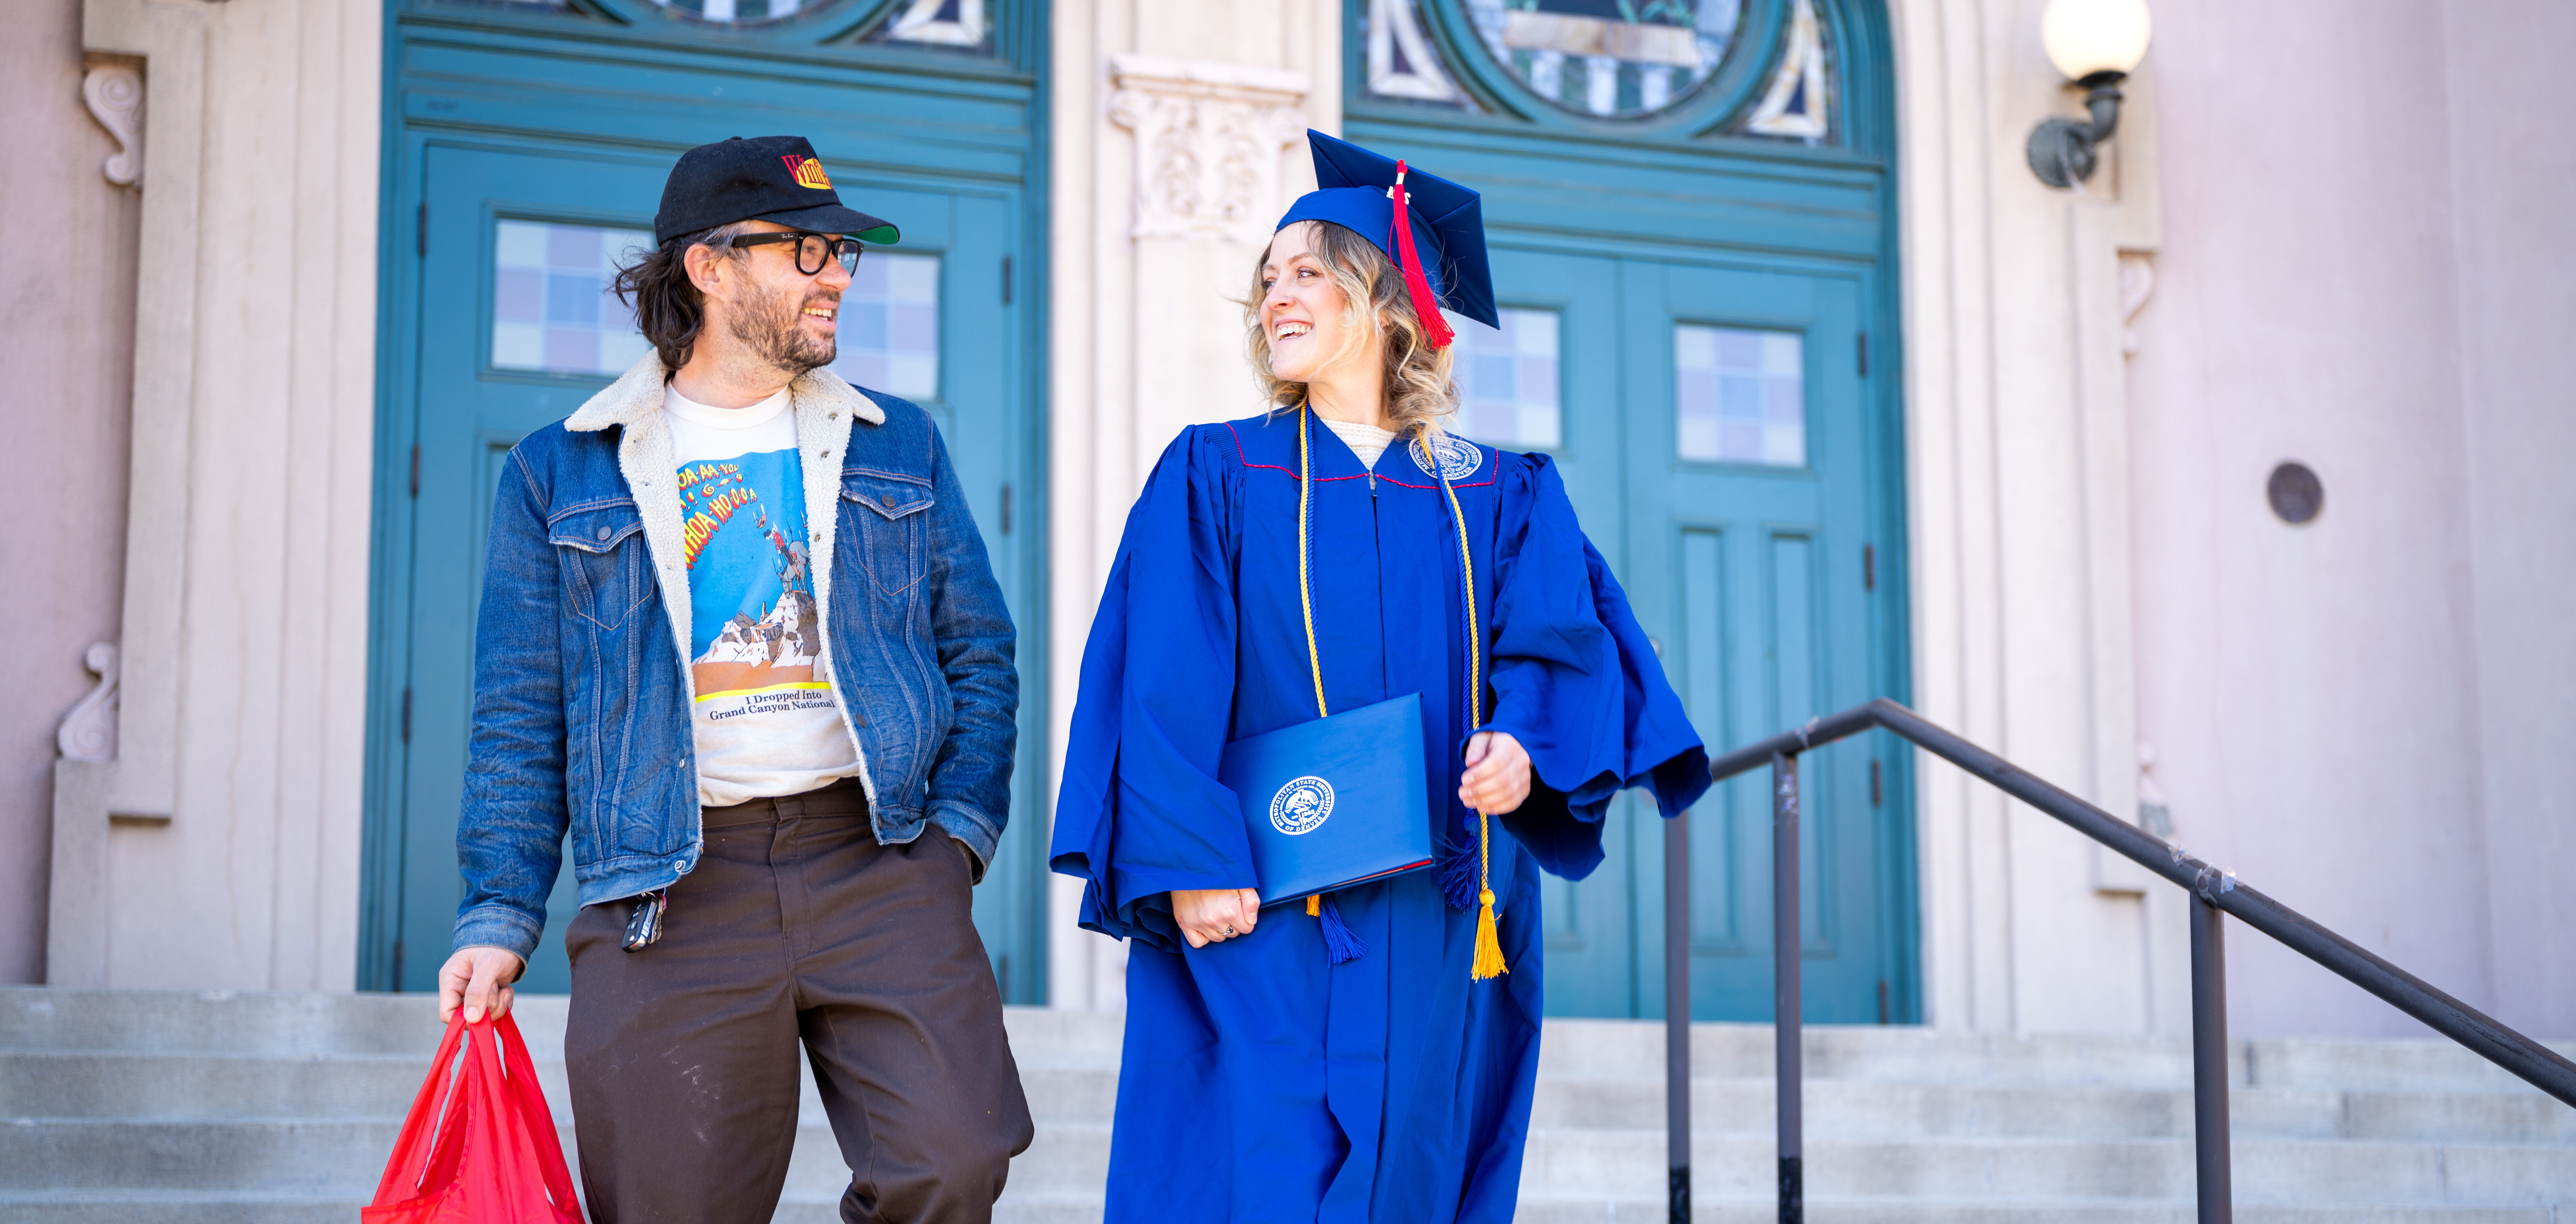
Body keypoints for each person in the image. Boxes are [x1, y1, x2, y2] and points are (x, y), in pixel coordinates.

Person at [1050, 132, 1712, 1223]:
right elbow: (1157, 681)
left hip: (1442, 905)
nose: (1278, 295)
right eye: (1268, 278)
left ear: (1391, 302)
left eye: (1310, 270)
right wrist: (1189, 860)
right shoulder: (1215, 471)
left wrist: (1524, 747)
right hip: (1256, 897)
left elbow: (1560, 645)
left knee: (1418, 1165)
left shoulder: (1500, 494)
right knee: (1254, 1169)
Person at [437, 135, 1031, 1224]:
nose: (840, 275)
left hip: (880, 858)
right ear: (708, 268)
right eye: (808, 251)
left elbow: (979, 654)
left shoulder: (900, 447)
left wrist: (954, 843)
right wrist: (498, 913)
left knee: (951, 1161)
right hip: (668, 883)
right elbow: (518, 713)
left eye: (844, 252)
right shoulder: (560, 469)